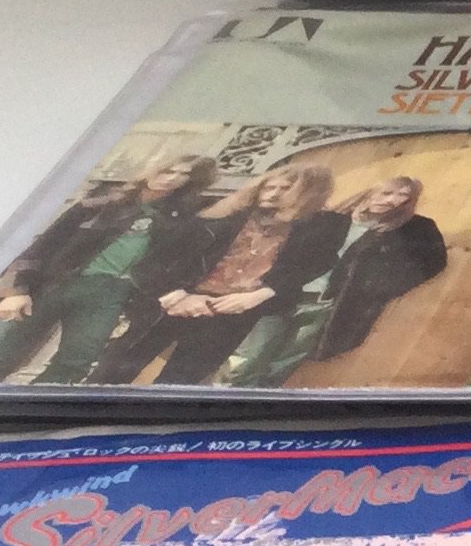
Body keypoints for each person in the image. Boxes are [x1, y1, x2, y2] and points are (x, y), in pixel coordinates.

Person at [0, 156, 219, 384]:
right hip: (55, 283)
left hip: (110, 294)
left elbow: (180, 256)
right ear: (153, 168)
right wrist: (18, 289)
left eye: (182, 176)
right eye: (168, 170)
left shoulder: (177, 222)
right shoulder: (97, 204)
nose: (171, 179)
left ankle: (30, 410)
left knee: (75, 363)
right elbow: (42, 247)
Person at [100, 162, 341, 385]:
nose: (273, 193)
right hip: (175, 303)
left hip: (230, 313)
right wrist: (174, 294)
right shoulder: (220, 216)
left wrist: (260, 294)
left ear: (308, 193)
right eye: (269, 186)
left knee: (180, 382)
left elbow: (316, 264)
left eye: (286, 188)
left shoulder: (317, 228)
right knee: (116, 369)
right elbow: (152, 261)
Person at [218, 175, 447, 387]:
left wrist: (375, 288)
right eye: (387, 193)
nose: (392, 201)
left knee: (282, 365)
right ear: (371, 191)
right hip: (282, 297)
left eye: (403, 197)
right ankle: (223, 399)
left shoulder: (412, 229)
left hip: (327, 306)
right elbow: (283, 254)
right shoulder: (327, 219)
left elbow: (431, 262)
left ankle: (257, 405)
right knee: (247, 358)